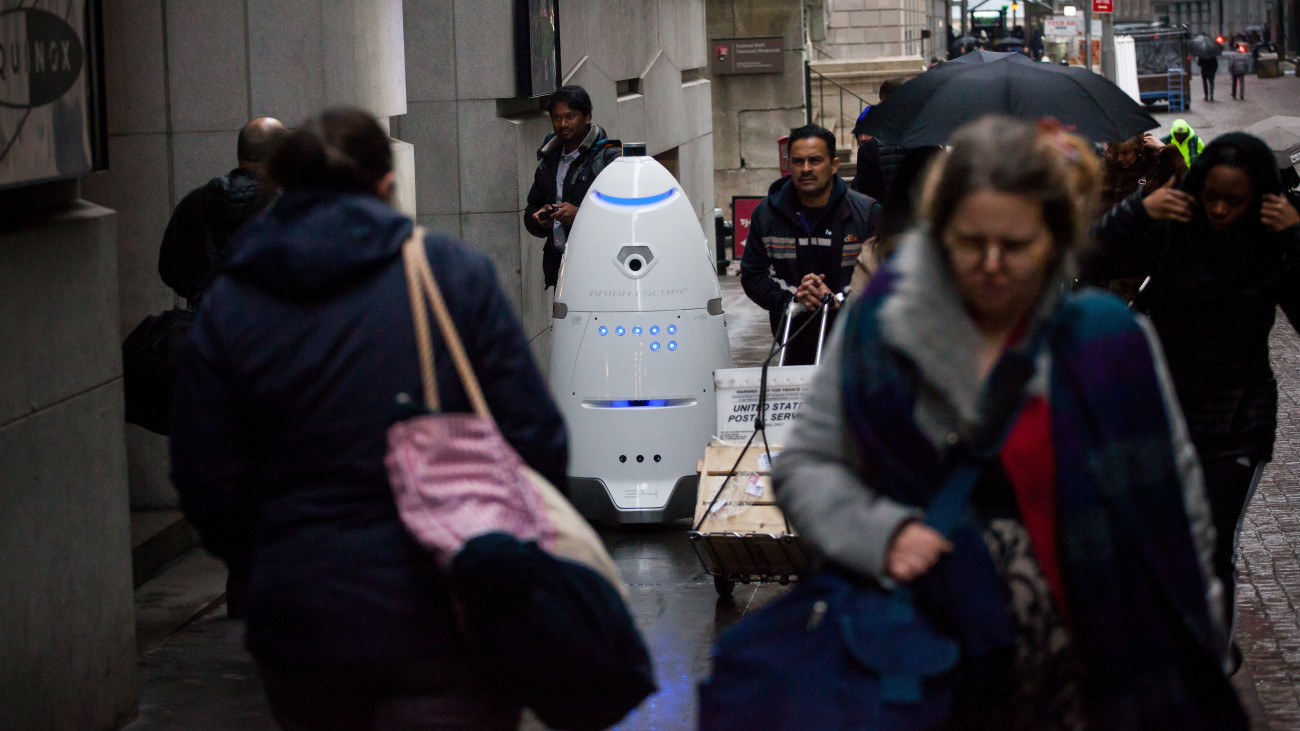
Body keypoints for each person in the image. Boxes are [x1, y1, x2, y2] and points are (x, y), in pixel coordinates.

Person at [774, 117, 1244, 728]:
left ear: (1055, 240)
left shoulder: (1106, 341)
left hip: (1089, 671)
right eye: (971, 242)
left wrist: (1193, 650)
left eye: (1016, 245)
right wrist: (880, 535)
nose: (992, 264)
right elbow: (806, 464)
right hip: (920, 663)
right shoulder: (885, 325)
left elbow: (1178, 517)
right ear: (940, 232)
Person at [169, 108, 568, 730]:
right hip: (447, 607)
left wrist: (267, 561)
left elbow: (204, 473)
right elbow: (536, 437)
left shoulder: (234, 299)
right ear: (386, 185)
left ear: (282, 189)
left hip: (303, 620)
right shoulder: (447, 275)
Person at [1087, 133, 1300, 660]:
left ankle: (1213, 664)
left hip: (1238, 420)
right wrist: (1138, 210)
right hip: (1167, 411)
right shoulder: (1172, 232)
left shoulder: (1274, 243)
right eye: (1213, 197)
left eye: (1236, 200)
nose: (1222, 210)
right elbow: (1086, 257)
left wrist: (1299, 239)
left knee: (1213, 543)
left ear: (1262, 199)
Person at [741, 124, 881, 365]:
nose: (806, 169)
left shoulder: (867, 214)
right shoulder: (766, 215)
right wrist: (793, 299)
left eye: (815, 160)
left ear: (834, 165)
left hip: (856, 346)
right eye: (798, 161)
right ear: (789, 165)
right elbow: (753, 275)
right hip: (793, 343)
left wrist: (840, 301)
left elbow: (884, 277)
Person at [159, 117, 287, 302]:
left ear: (238, 153)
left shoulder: (194, 202)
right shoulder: (287, 208)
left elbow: (169, 269)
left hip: (208, 322)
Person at [524, 85, 621, 288]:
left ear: (587, 117)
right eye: (556, 118)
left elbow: (625, 215)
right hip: (560, 268)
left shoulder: (608, 158)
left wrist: (580, 215)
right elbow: (532, 207)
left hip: (600, 271)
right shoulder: (549, 157)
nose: (563, 124)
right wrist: (539, 219)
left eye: (570, 117)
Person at [1099, 132, 1186, 211]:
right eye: (1116, 153)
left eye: (1125, 153)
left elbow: (1183, 182)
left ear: (1139, 149)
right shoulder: (1106, 164)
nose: (1119, 158)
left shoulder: (1154, 165)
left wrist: (1163, 149)